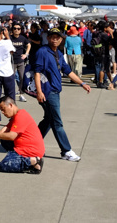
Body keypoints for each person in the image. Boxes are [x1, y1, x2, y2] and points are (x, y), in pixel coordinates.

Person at [34, 27, 91, 162]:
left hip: (55, 91)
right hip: (48, 92)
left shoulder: (58, 53)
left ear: (61, 39)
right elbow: (37, 72)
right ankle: (66, 151)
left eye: (58, 37)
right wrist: (39, 92)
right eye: (52, 36)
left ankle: (32, 141)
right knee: (57, 122)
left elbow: (68, 71)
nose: (55, 39)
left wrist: (82, 84)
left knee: (49, 120)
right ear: (48, 38)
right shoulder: (43, 52)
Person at [0, 96, 45, 174]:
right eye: (1, 110)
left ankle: (34, 161)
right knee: (3, 140)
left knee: (4, 165)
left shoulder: (20, 116)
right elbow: (2, 132)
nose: (2, 112)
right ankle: (20, 159)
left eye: (3, 109)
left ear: (10, 105)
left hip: (31, 151)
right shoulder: (17, 115)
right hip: (26, 148)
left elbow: (11, 136)